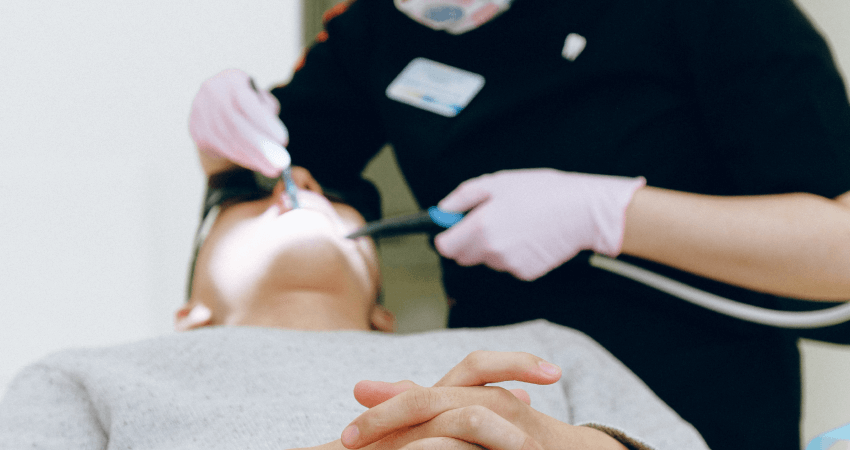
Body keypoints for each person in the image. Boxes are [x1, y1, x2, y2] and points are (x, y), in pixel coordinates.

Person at [187, 0, 850, 448]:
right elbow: (282, 163)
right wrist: (223, 149)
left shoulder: (719, 14)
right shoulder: (378, 25)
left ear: (385, 317)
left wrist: (611, 214)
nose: (295, 203)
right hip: (500, 377)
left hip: (698, 401)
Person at [0, 160, 709, 449]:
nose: (298, 185)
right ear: (191, 312)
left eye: (334, 195)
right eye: (247, 194)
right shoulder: (84, 376)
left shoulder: (546, 349)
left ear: (383, 317)